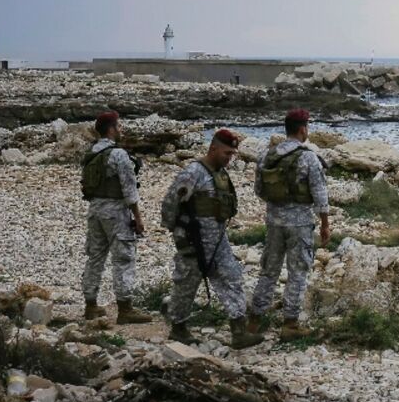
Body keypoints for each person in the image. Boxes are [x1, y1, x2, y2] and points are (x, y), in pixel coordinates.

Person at [161, 129, 263, 349]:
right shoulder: (194, 172)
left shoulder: (220, 174)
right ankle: (178, 328)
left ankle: (238, 331)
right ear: (213, 148)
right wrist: (178, 234)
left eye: (232, 154)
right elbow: (171, 203)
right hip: (194, 241)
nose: (230, 158)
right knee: (186, 284)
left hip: (217, 241)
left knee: (231, 277)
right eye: (227, 153)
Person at [249, 109, 330, 340]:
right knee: (298, 272)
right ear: (303, 129)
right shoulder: (308, 157)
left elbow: (259, 190)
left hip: (274, 222)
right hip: (301, 224)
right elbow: (320, 195)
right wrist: (325, 224)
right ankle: (290, 323)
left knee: (268, 271)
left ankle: (254, 320)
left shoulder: (267, 155)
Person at [80, 111, 151, 324]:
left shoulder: (91, 153)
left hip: (95, 210)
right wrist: (138, 217)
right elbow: (129, 190)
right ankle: (125, 308)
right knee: (123, 257)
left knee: (95, 257)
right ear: (111, 129)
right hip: (116, 212)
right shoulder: (118, 154)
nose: (120, 130)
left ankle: (90, 305)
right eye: (118, 126)